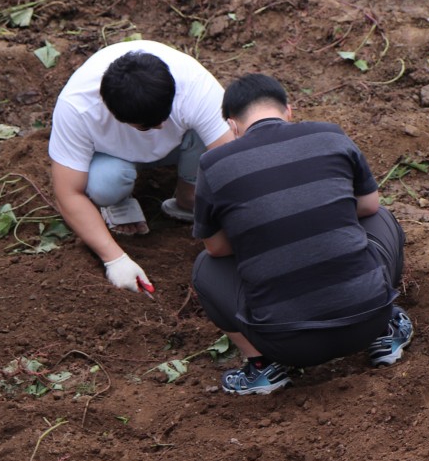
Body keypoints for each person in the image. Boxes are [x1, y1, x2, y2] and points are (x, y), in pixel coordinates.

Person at [191, 73, 410, 395]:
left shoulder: (213, 164)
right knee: (381, 218)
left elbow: (217, 248)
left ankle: (262, 368)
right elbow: (368, 205)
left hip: (289, 345)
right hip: (368, 320)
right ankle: (385, 334)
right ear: (288, 110)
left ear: (232, 125)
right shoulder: (330, 135)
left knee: (205, 268)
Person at [49, 40, 234, 294]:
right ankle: (118, 203)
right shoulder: (77, 108)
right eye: (146, 126)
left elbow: (235, 160)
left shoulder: (194, 85)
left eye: (163, 118)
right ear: (115, 114)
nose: (158, 129)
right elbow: (68, 192)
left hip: (180, 147)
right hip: (113, 157)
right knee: (105, 184)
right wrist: (115, 259)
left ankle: (188, 194)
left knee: (215, 134)